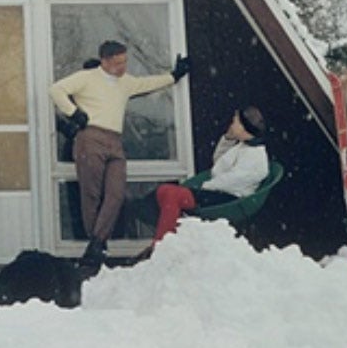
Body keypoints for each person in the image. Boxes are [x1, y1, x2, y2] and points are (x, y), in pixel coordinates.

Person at [50, 39, 190, 268]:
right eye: (117, 63)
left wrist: (175, 76)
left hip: (115, 141)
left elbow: (148, 83)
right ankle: (97, 247)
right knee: (92, 194)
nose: (122, 67)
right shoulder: (87, 77)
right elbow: (56, 90)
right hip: (90, 137)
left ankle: (96, 243)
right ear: (104, 61)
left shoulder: (125, 83)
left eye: (125, 62)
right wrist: (74, 113)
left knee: (116, 193)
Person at [151, 106, 269, 242]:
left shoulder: (256, 156)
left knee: (172, 194)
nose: (231, 125)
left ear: (243, 127)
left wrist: (205, 186)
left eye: (234, 122)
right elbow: (218, 165)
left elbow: (231, 182)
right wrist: (228, 140)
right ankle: (173, 237)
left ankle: (162, 243)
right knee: (163, 191)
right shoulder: (242, 146)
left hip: (229, 199)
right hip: (216, 192)